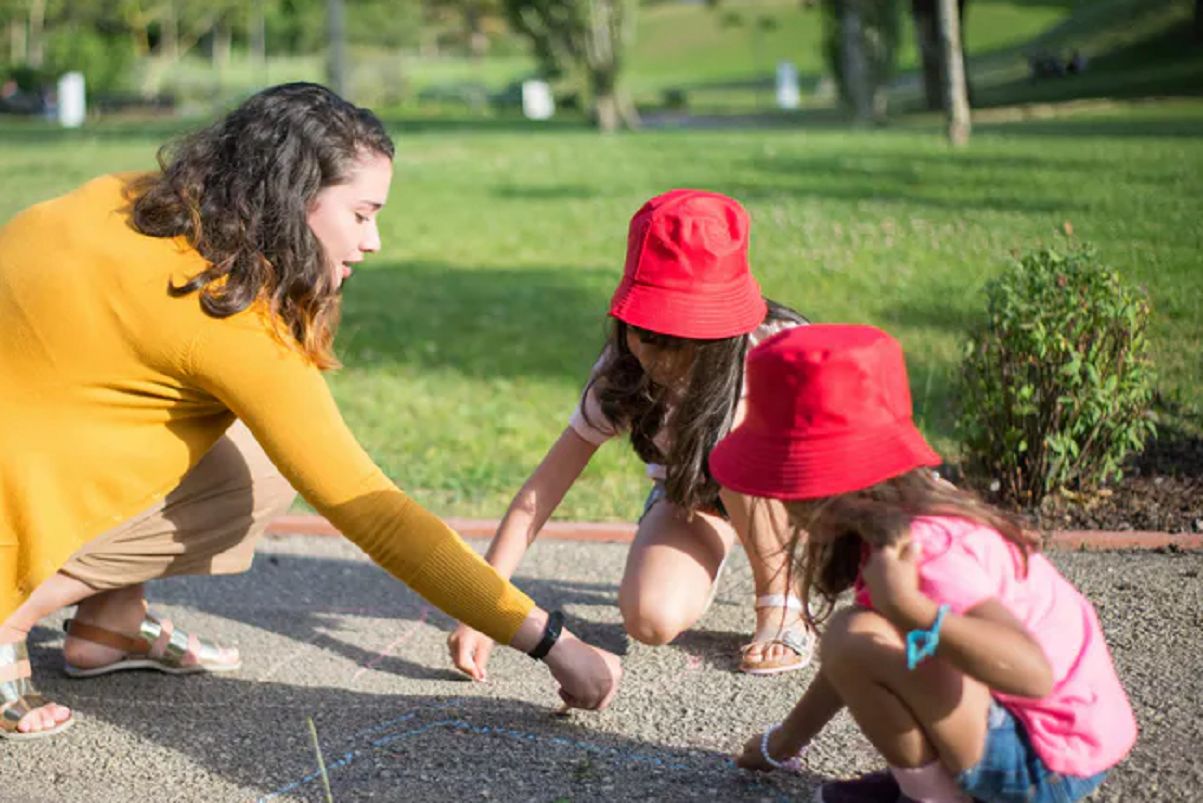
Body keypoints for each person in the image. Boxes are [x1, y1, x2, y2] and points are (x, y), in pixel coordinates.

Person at [0, 82, 621, 740]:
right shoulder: (223, 318)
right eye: (361, 213)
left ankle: (111, 622)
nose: (374, 239)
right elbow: (372, 512)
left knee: (208, 418)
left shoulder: (117, 198)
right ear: (294, 198)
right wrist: (553, 642)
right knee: (268, 462)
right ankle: (13, 615)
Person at [711, 324, 1137, 802]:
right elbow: (846, 663)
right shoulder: (889, 520)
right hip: (1053, 737)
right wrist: (781, 743)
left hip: (1048, 762)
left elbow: (1031, 673)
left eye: (781, 484)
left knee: (853, 634)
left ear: (823, 486)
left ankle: (936, 796)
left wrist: (912, 609)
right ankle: (936, 784)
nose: (779, 502)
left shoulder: (929, 550)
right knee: (857, 636)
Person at [447, 189, 814, 681]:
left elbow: (847, 454)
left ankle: (783, 603)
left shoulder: (777, 349)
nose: (659, 360)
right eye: (647, 336)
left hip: (790, 498)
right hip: (694, 497)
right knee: (650, 619)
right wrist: (486, 608)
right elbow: (540, 493)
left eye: (680, 343)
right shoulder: (622, 372)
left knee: (731, 450)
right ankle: (726, 542)